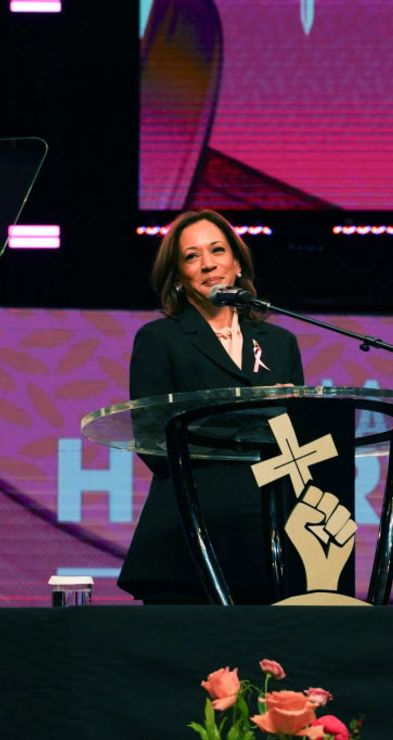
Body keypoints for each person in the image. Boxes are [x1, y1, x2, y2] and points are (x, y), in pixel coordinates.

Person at [118, 209, 305, 604]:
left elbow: (293, 440)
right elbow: (154, 441)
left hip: (268, 536)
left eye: (217, 250)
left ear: (237, 264)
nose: (207, 264)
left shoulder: (279, 342)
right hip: (187, 536)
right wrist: (254, 417)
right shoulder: (159, 339)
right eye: (191, 256)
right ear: (179, 277)